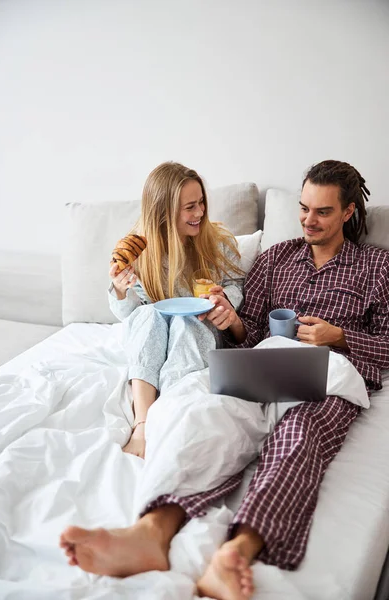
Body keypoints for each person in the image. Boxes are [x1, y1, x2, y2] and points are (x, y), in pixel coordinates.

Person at [60, 160, 389, 600]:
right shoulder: (276, 258)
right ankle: (152, 531)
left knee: (297, 436)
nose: (308, 220)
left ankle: (235, 551)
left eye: (323, 212)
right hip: (261, 363)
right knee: (205, 414)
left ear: (348, 212)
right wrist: (233, 321)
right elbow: (248, 331)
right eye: (303, 208)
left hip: (327, 372)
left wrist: (341, 336)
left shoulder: (376, 267)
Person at [107, 161, 244, 458]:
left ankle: (169, 415)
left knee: (186, 323)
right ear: (164, 212)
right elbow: (131, 317)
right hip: (155, 333)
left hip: (199, 331)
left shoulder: (218, 242)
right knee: (147, 314)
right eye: (190, 207)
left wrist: (225, 299)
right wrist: (121, 289)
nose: (200, 213)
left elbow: (237, 285)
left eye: (201, 203)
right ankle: (143, 423)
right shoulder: (140, 252)